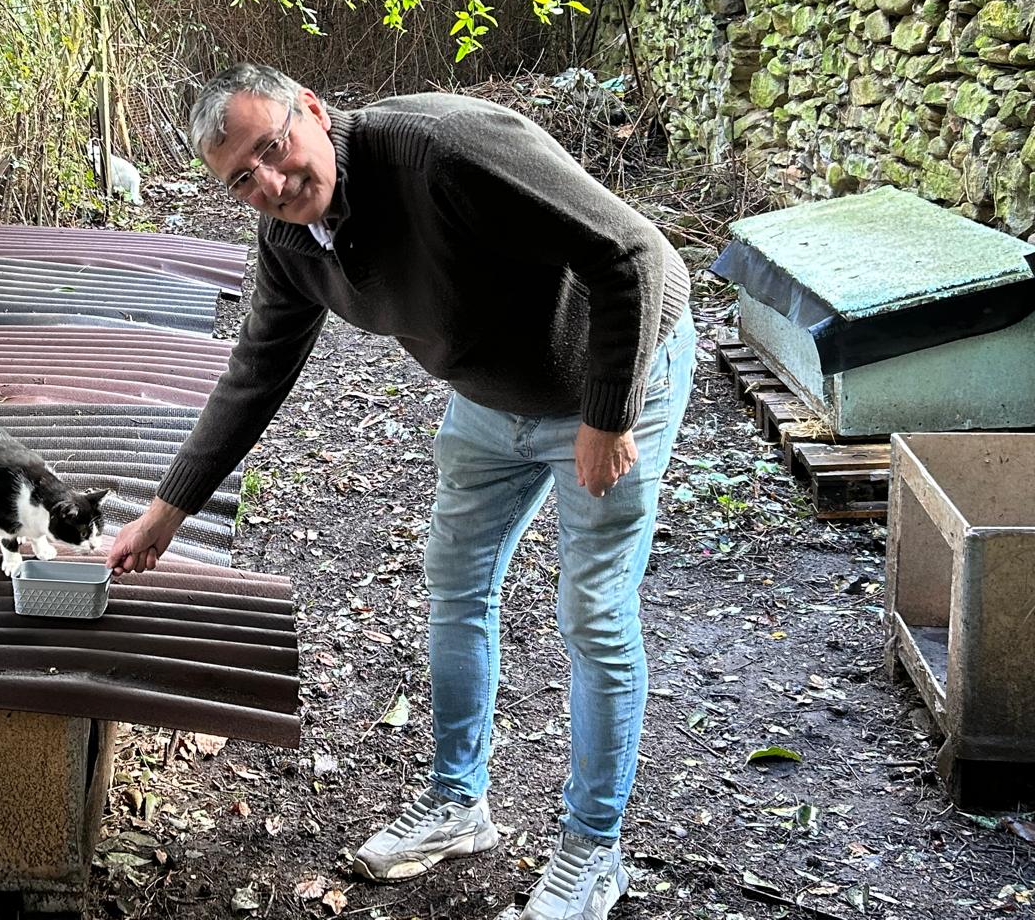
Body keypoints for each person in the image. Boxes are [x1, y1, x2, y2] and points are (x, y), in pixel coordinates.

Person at [106, 63, 696, 920]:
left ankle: (592, 852)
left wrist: (606, 414)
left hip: (611, 380)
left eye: (274, 148)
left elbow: (632, 254)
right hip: (492, 401)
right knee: (456, 587)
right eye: (242, 180)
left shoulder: (442, 150)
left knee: (593, 613)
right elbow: (256, 371)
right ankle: (458, 805)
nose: (271, 184)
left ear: (310, 107)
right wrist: (168, 509)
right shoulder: (292, 243)